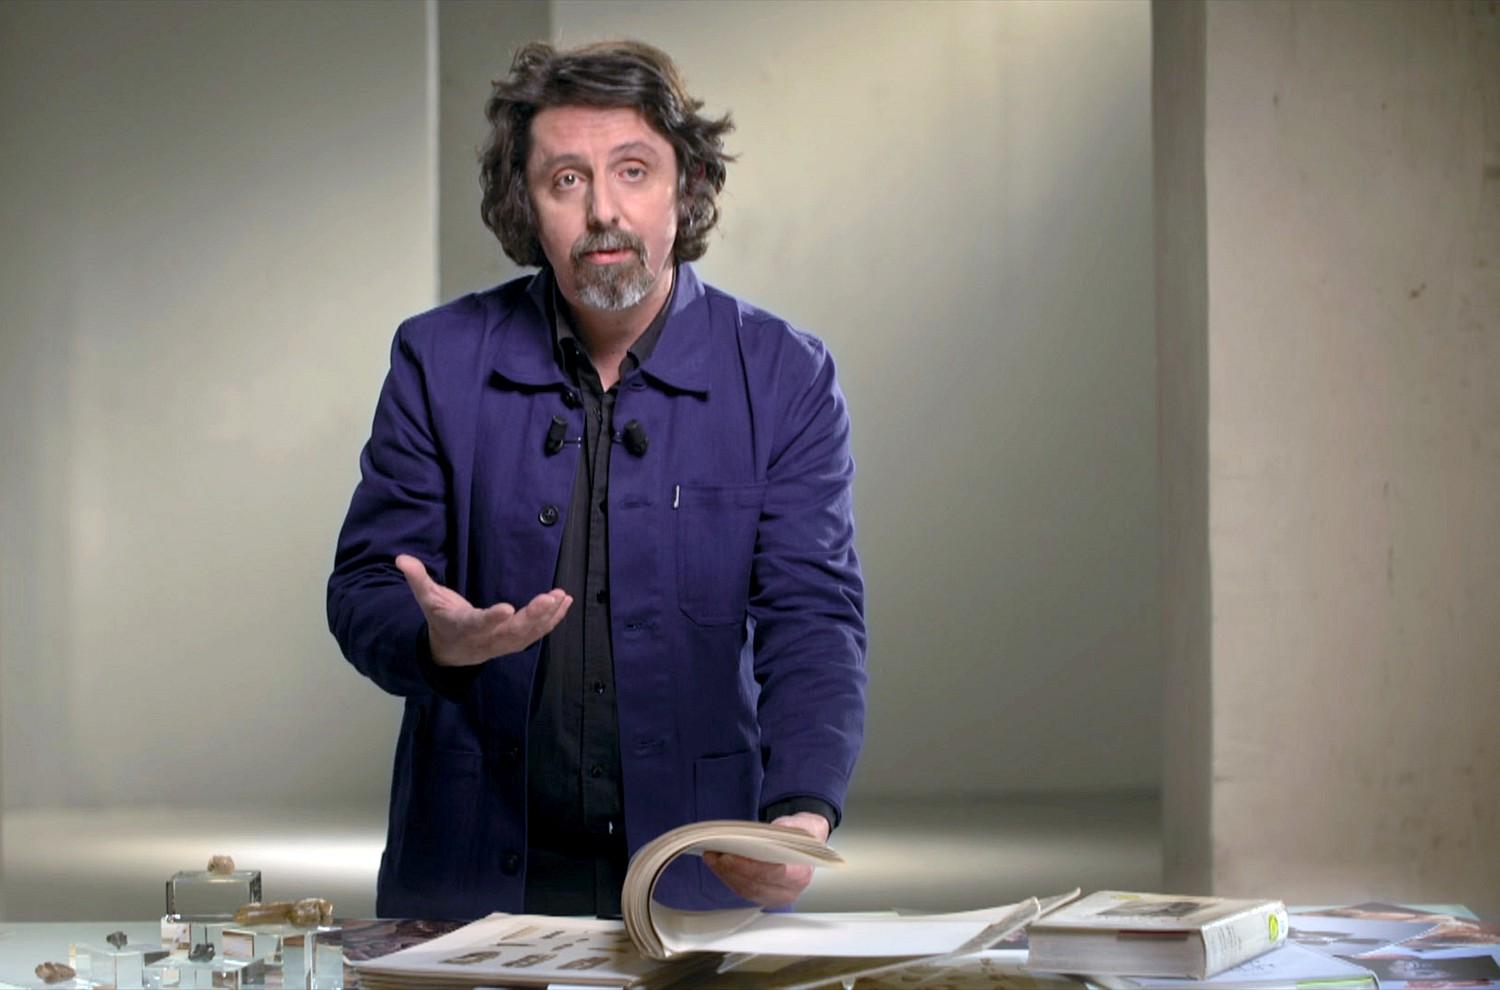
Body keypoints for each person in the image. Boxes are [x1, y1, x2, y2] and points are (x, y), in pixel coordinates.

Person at [327, 39, 866, 922]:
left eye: (633, 171)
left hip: (701, 873)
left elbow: (812, 616)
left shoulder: (784, 375)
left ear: (687, 186)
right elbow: (363, 588)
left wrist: (799, 815)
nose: (604, 211)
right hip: (466, 867)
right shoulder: (436, 358)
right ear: (525, 202)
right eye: (567, 179)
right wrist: (437, 643)